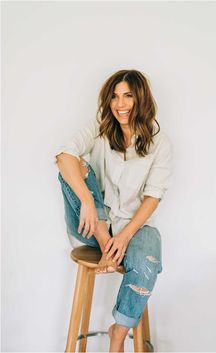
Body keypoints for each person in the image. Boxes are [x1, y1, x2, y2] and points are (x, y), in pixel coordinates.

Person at [54, 69, 172, 352]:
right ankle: (107, 244)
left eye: (128, 96)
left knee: (147, 259)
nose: (120, 104)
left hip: (135, 227)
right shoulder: (100, 126)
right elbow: (63, 156)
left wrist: (125, 236)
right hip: (91, 225)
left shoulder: (160, 143)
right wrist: (86, 201)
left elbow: (153, 197)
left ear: (141, 99)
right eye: (115, 97)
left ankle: (117, 333)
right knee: (73, 166)